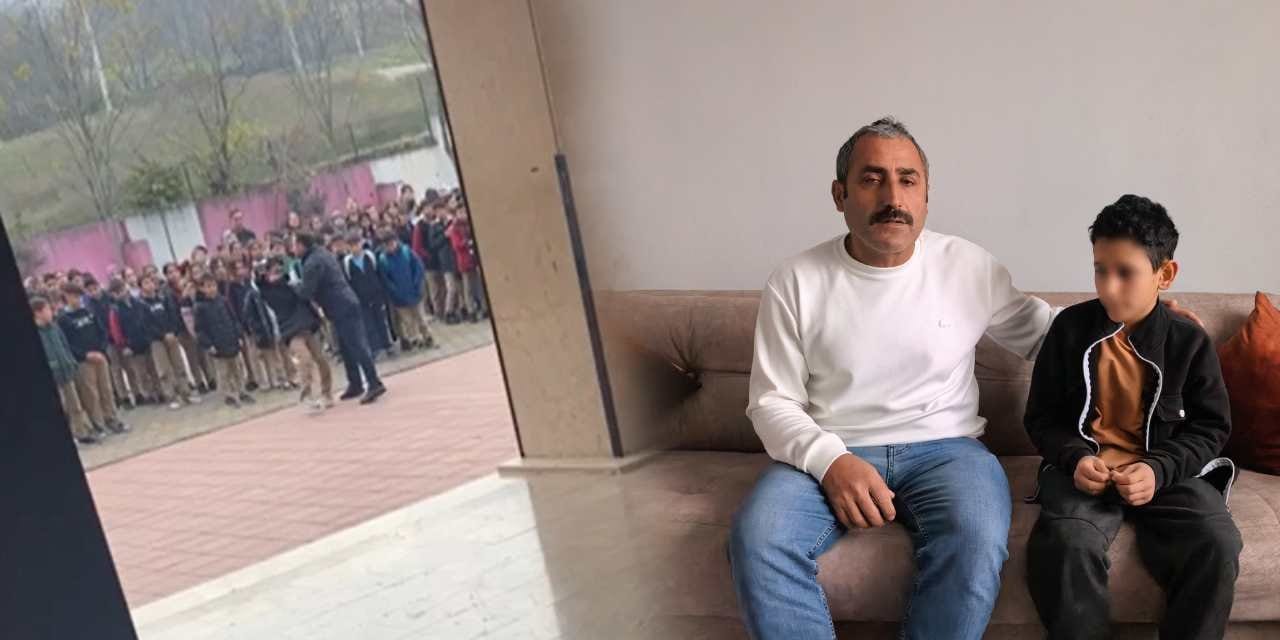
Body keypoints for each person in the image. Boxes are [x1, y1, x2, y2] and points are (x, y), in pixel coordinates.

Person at [727, 117, 1205, 640]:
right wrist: (830, 461)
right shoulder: (795, 280)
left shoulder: (967, 265)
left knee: (975, 540)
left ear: (927, 195)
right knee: (759, 538)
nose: (893, 197)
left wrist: (1143, 323)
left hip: (947, 451)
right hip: (832, 446)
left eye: (908, 180)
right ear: (840, 194)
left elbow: (1050, 335)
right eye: (872, 179)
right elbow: (771, 402)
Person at [1024, 195, 1241, 640]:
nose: (1108, 287)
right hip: (1086, 474)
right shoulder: (1069, 330)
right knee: (1066, 542)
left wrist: (1158, 469)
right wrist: (1074, 458)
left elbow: (1211, 427)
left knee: (1217, 542)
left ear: (1165, 275)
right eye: (1100, 269)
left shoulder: (1188, 341)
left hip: (1168, 475)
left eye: (1125, 272)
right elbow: (1042, 417)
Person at [294, 231, 386, 404]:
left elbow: (307, 291)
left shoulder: (313, 262)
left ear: (301, 245)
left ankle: (374, 382)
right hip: (343, 303)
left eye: (295, 245)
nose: (293, 249)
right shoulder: (322, 253)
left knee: (357, 345)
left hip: (340, 305)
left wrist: (294, 286)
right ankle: (355, 383)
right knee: (346, 347)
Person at [258, 257, 333, 411]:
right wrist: (263, 276)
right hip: (291, 331)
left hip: (307, 326)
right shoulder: (267, 291)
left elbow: (306, 298)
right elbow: (260, 285)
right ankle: (306, 395)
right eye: (274, 271)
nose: (277, 274)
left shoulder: (292, 285)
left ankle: (327, 393)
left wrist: (317, 319)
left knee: (321, 359)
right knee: (304, 359)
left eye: (279, 270)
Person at [58, 284, 128, 435]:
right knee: (91, 394)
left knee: (106, 389)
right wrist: (85, 355)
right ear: (66, 297)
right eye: (73, 296)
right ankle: (98, 424)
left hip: (100, 355)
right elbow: (67, 344)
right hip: (83, 361)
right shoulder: (63, 319)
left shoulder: (89, 312)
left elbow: (102, 332)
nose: (77, 299)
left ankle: (112, 419)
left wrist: (101, 349)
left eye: (78, 296)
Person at [33, 297, 99, 445]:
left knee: (75, 405)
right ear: (38, 313)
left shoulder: (55, 327)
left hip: (66, 372)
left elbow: (65, 346)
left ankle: (81, 433)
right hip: (54, 375)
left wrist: (71, 362)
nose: (51, 312)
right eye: (47, 309)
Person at [139, 274, 200, 409]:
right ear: (141, 287)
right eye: (145, 283)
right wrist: (162, 335)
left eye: (151, 282)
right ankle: (171, 396)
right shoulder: (141, 305)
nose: (149, 285)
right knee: (164, 369)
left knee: (179, 365)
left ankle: (186, 393)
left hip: (171, 336)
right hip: (157, 340)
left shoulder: (163, 299)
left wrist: (172, 331)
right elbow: (146, 325)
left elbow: (172, 315)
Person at [194, 275, 255, 408]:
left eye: (213, 285)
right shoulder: (200, 307)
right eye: (208, 286)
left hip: (231, 340)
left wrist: (238, 336)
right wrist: (208, 344)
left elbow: (233, 319)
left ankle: (242, 391)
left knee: (237, 368)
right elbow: (200, 330)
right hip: (216, 345)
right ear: (201, 289)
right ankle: (228, 395)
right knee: (223, 372)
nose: (211, 289)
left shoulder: (224, 301)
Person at [377, 231, 435, 350]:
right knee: (408, 321)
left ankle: (428, 337)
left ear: (396, 241)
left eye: (392, 243)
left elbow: (418, 267)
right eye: (387, 245)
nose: (390, 247)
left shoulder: (406, 252)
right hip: (399, 298)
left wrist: (417, 283)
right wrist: (395, 292)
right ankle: (415, 339)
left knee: (421, 317)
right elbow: (386, 280)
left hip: (414, 291)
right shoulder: (383, 260)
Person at [107, 278, 159, 405]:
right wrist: (124, 346)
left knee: (153, 368)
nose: (122, 293)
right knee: (140, 372)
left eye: (122, 289)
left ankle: (159, 391)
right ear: (113, 295)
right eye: (117, 292)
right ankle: (148, 394)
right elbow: (116, 331)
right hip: (131, 346)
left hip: (145, 340)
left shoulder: (138, 303)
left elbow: (147, 320)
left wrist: (150, 335)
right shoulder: (115, 310)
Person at [241, 270, 295, 391]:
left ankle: (286, 377)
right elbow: (249, 315)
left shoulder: (271, 290)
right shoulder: (252, 295)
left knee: (281, 354)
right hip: (264, 330)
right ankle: (275, 380)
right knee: (269, 356)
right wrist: (256, 330)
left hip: (276, 326)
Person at [343, 232, 395, 356]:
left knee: (381, 320)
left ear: (361, 243)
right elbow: (348, 281)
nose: (355, 248)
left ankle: (387, 345)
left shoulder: (370, 256)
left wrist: (382, 293)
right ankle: (374, 348)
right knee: (367, 323)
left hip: (375, 294)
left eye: (356, 244)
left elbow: (378, 274)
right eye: (351, 245)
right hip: (360, 297)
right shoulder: (347, 262)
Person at [446, 208, 487, 322]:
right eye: (460, 213)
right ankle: (471, 311)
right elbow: (456, 245)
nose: (463, 215)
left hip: (474, 259)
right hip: (464, 260)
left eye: (464, 212)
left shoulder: (468, 224)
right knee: (468, 287)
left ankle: (484, 307)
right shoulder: (455, 228)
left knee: (478, 285)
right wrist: (466, 242)